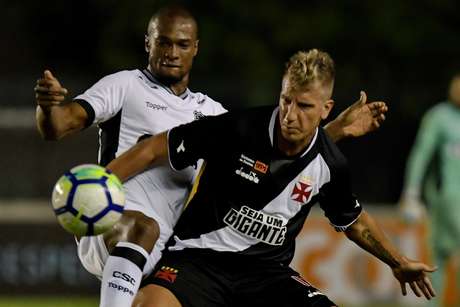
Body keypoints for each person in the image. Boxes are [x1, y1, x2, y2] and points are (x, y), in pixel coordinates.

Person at [35, 6, 387, 307]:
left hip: (171, 249)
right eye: (164, 42)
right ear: (148, 43)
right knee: (143, 227)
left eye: (182, 44)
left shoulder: (212, 112)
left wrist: (334, 130)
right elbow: (58, 126)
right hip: (116, 225)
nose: (172, 51)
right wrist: (48, 108)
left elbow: (276, 149)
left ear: (195, 49)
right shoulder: (126, 85)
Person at [106, 49, 436, 307]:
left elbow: (354, 221)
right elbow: (153, 149)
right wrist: (102, 181)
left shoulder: (330, 163)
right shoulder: (236, 128)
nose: (290, 115)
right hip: (197, 262)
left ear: (326, 108)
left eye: (305, 106)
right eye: (286, 100)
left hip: (265, 275)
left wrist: (398, 261)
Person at [399, 74, 460, 306]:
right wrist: (411, 192)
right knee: (439, 259)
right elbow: (421, 154)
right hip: (447, 199)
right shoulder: (439, 117)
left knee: (440, 258)